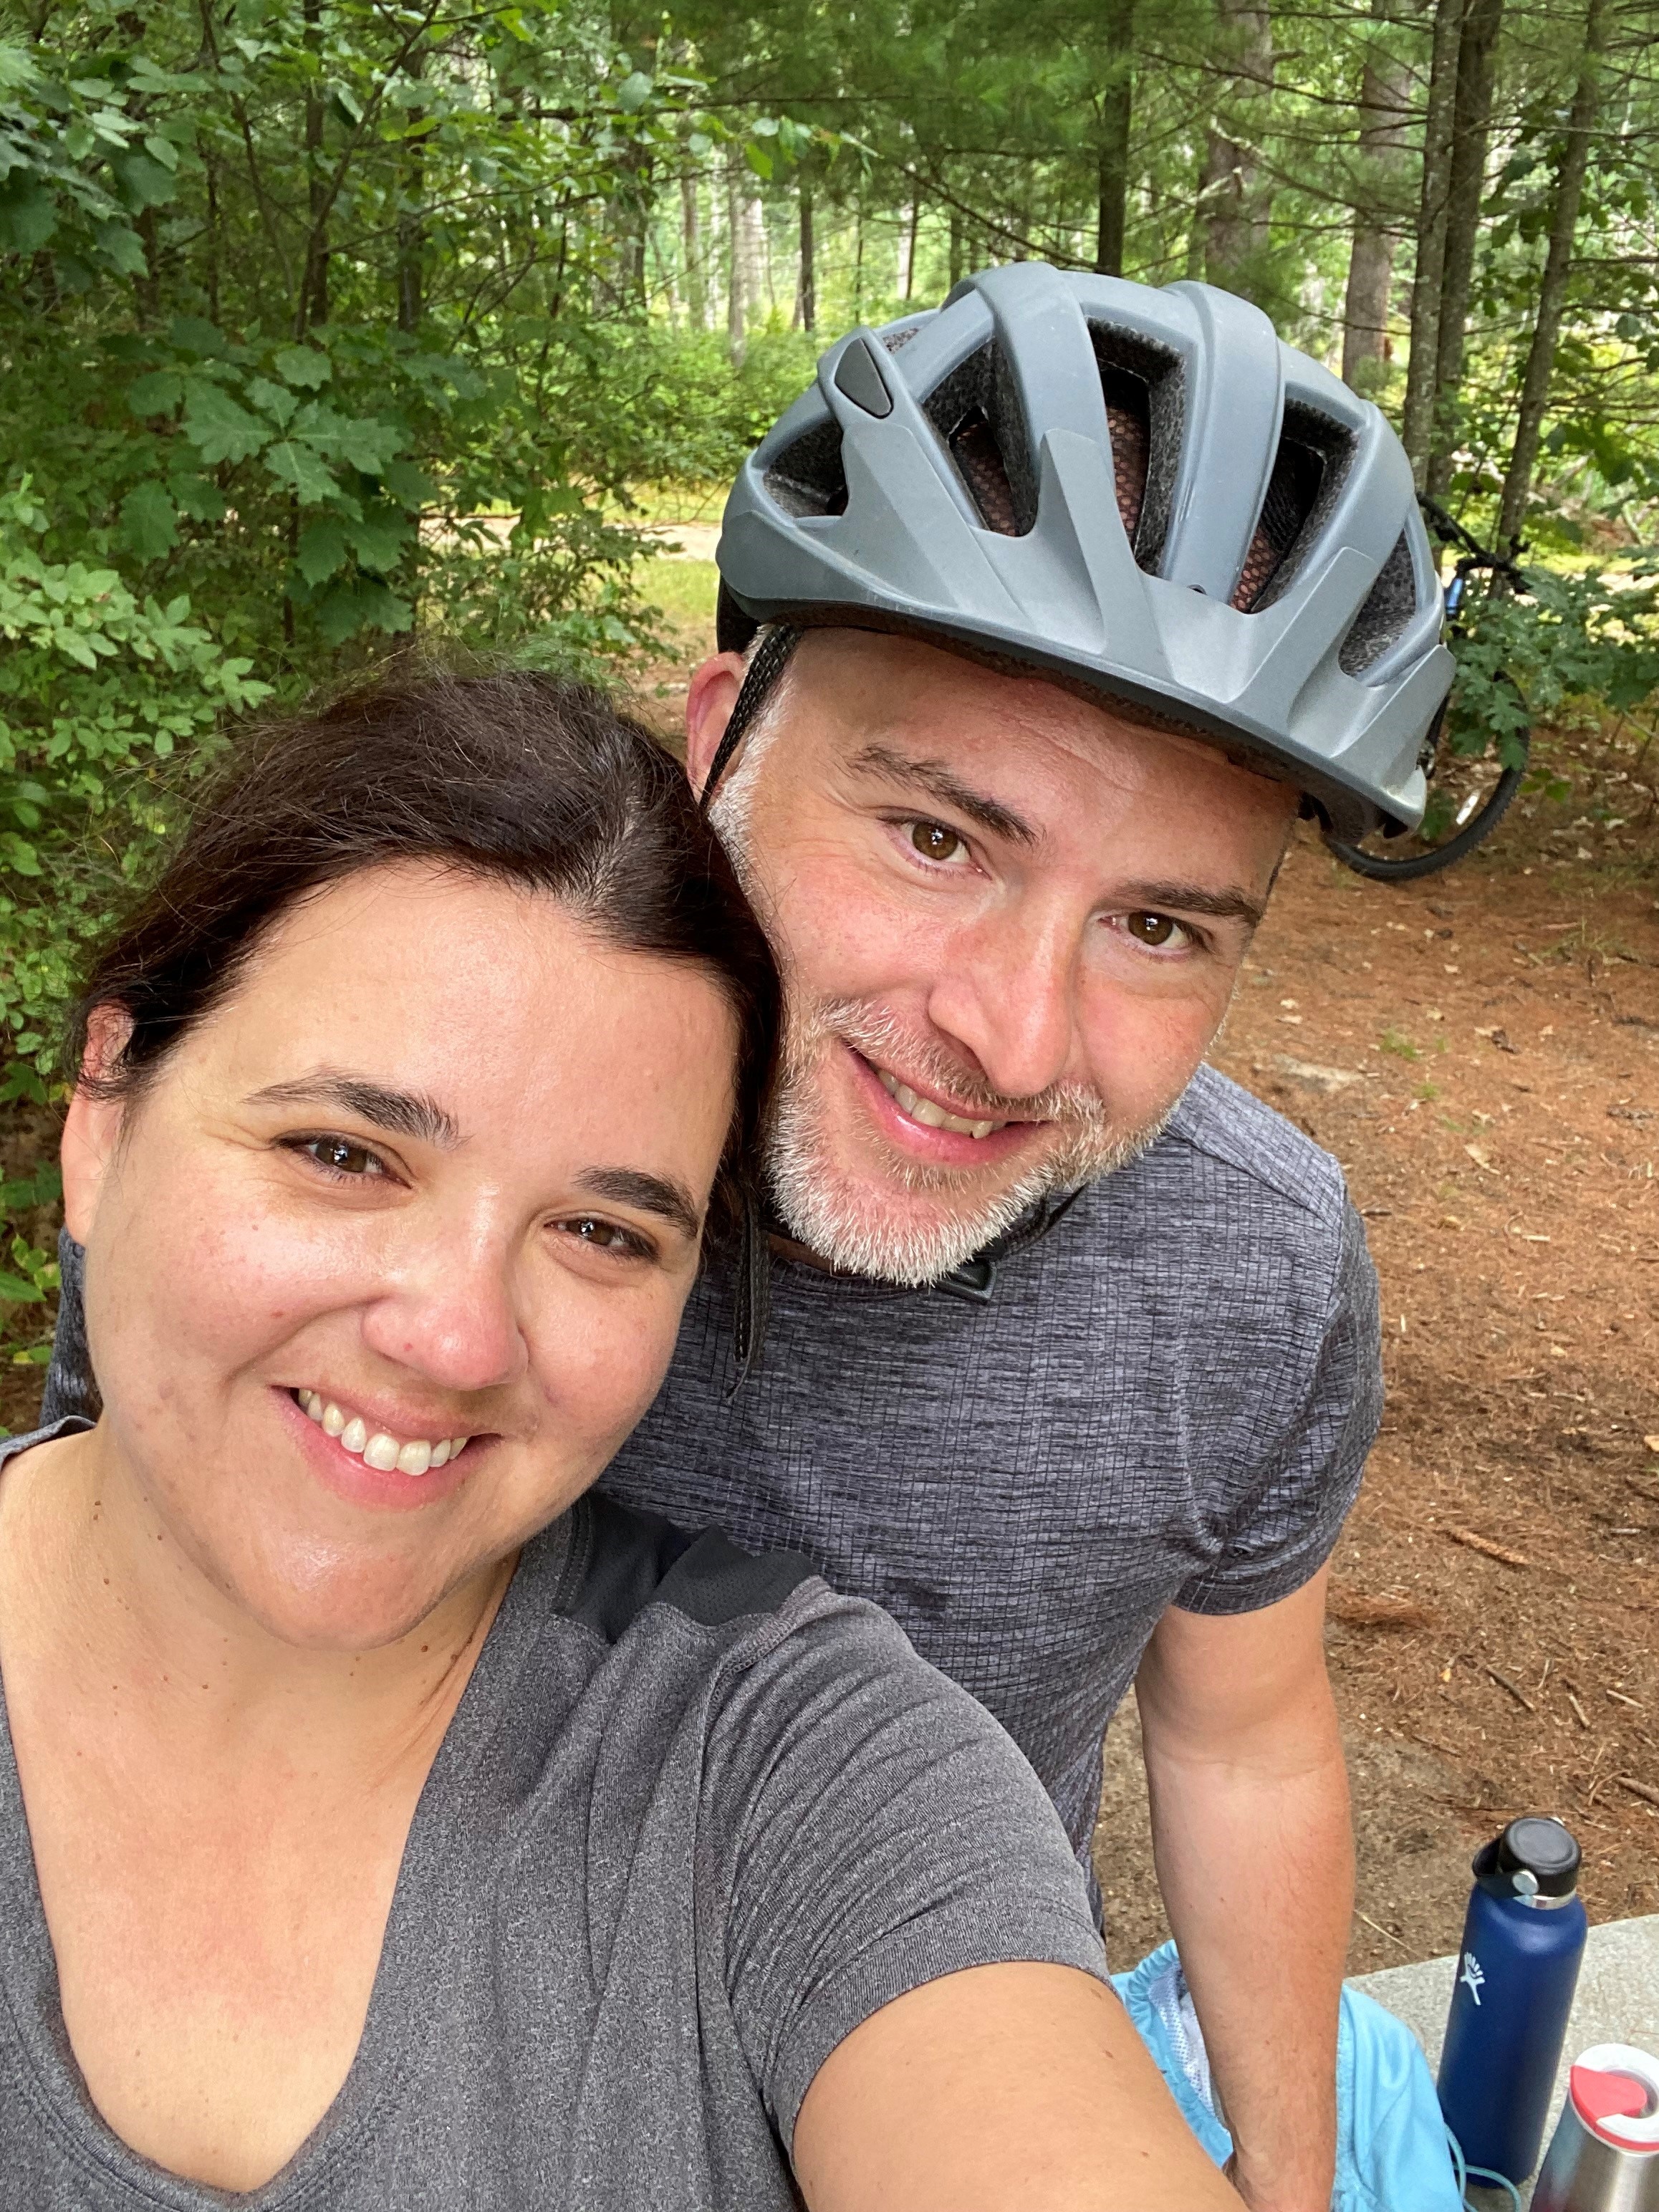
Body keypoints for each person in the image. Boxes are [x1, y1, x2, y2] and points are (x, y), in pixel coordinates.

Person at [44, 266, 1455, 2211]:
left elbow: (1241, 1742)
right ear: (723, 737)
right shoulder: (393, 1144)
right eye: (938, 840)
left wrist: (1279, 2181)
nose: (1012, 1039)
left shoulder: (1251, 1270)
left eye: (1157, 927)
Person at [0, 671, 1240, 2211]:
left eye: (601, 1228)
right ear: (102, 1122)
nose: (457, 1337)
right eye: (342, 1151)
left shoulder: (798, 1769)